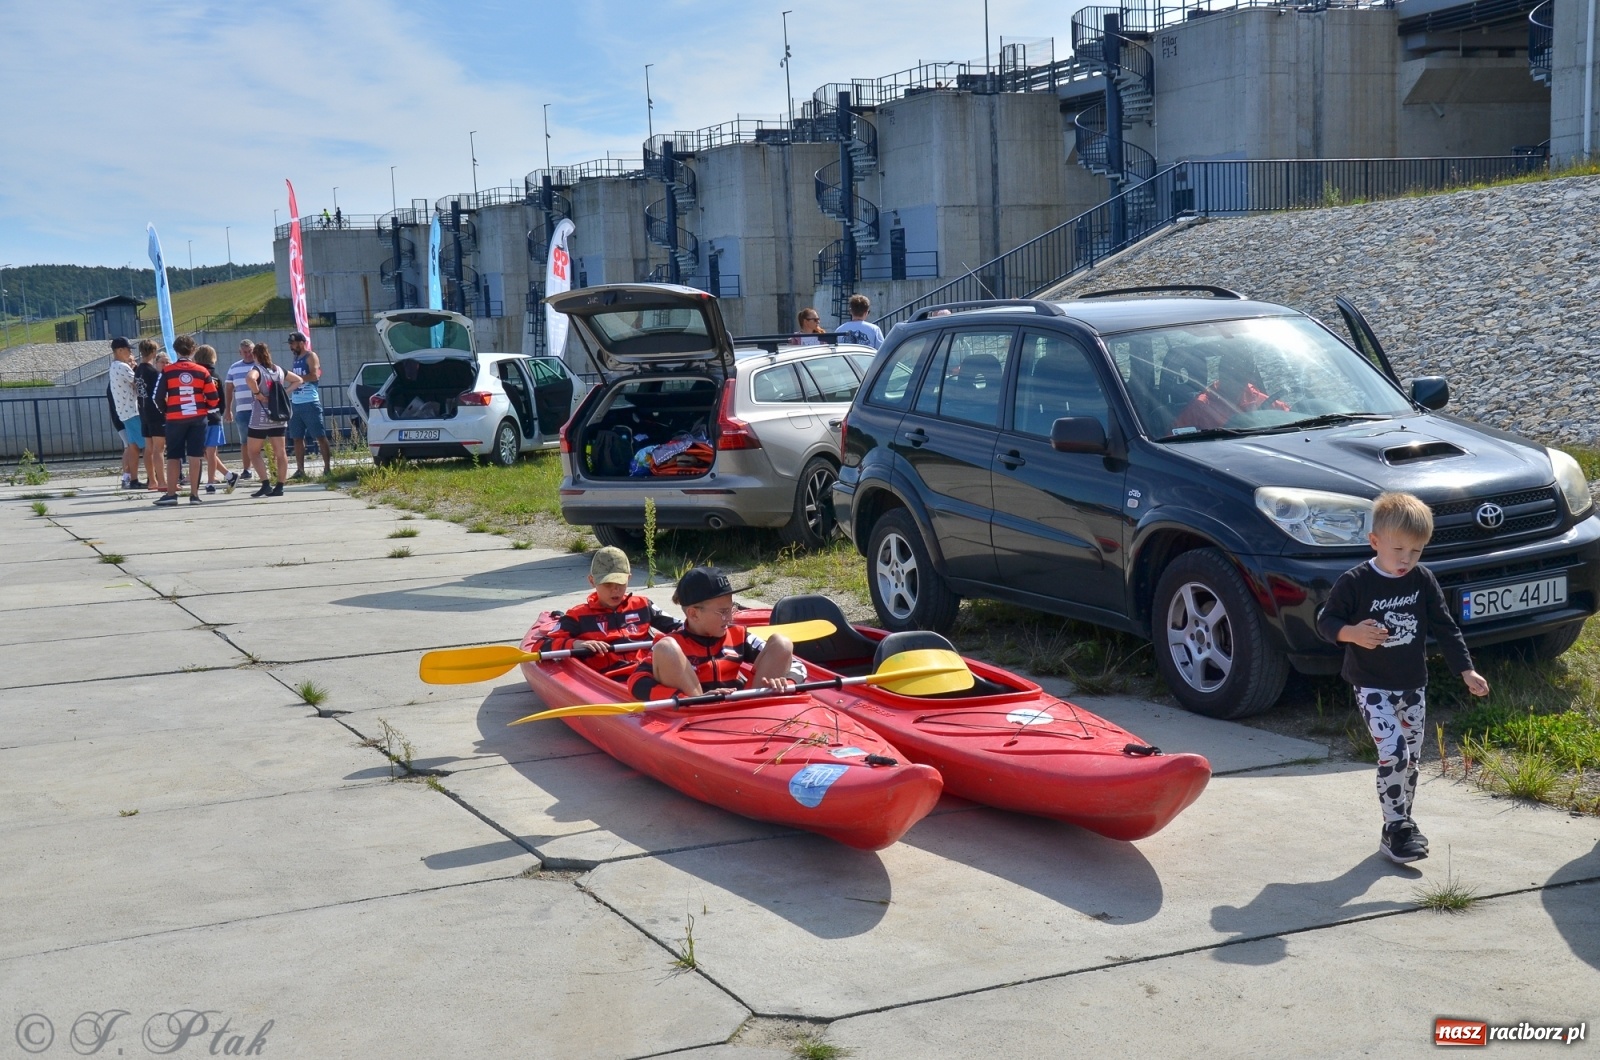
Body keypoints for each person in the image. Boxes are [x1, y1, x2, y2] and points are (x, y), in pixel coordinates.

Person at [1316, 492, 1489, 865]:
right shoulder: (1356, 581)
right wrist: (1352, 633)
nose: (1406, 559)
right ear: (1374, 541)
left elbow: (1445, 627)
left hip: (1412, 685)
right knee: (1394, 753)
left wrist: (1466, 670)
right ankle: (1395, 827)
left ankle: (1403, 824)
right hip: (1372, 685)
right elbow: (1326, 622)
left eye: (1416, 551)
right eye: (1398, 550)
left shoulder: (1421, 580)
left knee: (1410, 760)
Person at [627, 566, 804, 701]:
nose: (730, 618)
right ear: (694, 614)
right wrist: (684, 698)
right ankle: (697, 703)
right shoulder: (672, 645)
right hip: (696, 712)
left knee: (782, 643)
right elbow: (636, 682)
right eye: (723, 612)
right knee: (665, 648)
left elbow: (797, 665)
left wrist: (787, 682)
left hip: (744, 707)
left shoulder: (739, 635)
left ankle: (758, 706)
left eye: (731, 609)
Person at [536, 547, 682, 679]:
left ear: (629, 578)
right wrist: (576, 643)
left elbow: (681, 627)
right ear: (592, 581)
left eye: (620, 583)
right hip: (610, 679)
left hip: (650, 672)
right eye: (607, 584)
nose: (615, 590)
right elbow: (541, 646)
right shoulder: (578, 616)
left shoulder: (643, 605)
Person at [151, 335, 220, 507]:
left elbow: (157, 397)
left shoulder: (168, 371)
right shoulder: (202, 371)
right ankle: (194, 495)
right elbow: (214, 398)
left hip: (175, 418)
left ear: (175, 350)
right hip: (198, 418)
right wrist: (204, 407)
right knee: (195, 456)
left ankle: (171, 494)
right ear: (193, 350)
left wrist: (166, 410)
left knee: (173, 456)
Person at [1171, 352, 1289, 431]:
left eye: (1240, 378)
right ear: (1220, 374)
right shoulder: (1201, 406)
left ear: (1248, 377)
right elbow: (1173, 439)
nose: (1234, 383)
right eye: (1230, 375)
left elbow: (1292, 418)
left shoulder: (1262, 401)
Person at [244, 343, 303, 498]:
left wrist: (257, 393)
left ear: (255, 355)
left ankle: (265, 483)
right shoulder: (278, 370)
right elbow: (298, 380)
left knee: (253, 451)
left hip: (261, 416)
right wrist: (284, 392)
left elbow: (250, 378)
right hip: (278, 416)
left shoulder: (257, 369)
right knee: (280, 451)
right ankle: (280, 486)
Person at [286, 332, 332, 478]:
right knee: (297, 438)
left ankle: (327, 468)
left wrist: (296, 378)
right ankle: (300, 470)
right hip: (296, 402)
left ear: (301, 343)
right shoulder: (296, 358)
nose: (291, 347)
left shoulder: (311, 356)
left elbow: (314, 375)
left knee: (320, 436)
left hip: (310, 402)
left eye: (293, 344)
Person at [190, 345, 233, 493]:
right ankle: (214, 481)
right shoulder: (216, 377)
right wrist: (220, 412)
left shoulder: (196, 375)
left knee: (202, 452)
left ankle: (219, 478)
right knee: (211, 452)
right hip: (214, 416)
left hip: (199, 417)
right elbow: (221, 399)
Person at [107, 337, 144, 489]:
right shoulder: (122, 366)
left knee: (132, 446)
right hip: (132, 411)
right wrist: (137, 368)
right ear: (120, 350)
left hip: (124, 413)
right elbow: (139, 383)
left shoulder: (114, 367)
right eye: (128, 350)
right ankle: (154, 478)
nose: (130, 353)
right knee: (149, 446)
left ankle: (133, 479)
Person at [134, 339, 167, 493]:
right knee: (159, 448)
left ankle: (152, 481)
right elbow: (159, 393)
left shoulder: (138, 370)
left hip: (143, 411)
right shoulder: (153, 373)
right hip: (155, 412)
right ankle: (162, 482)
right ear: (153, 352)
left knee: (148, 448)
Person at [224, 339, 256, 485]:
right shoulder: (234, 368)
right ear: (240, 352)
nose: (248, 354)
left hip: (260, 409)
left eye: (250, 351)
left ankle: (273, 468)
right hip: (242, 410)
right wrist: (228, 409)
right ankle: (247, 469)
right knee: (245, 441)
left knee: (268, 439)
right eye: (245, 352)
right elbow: (229, 389)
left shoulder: (260, 365)